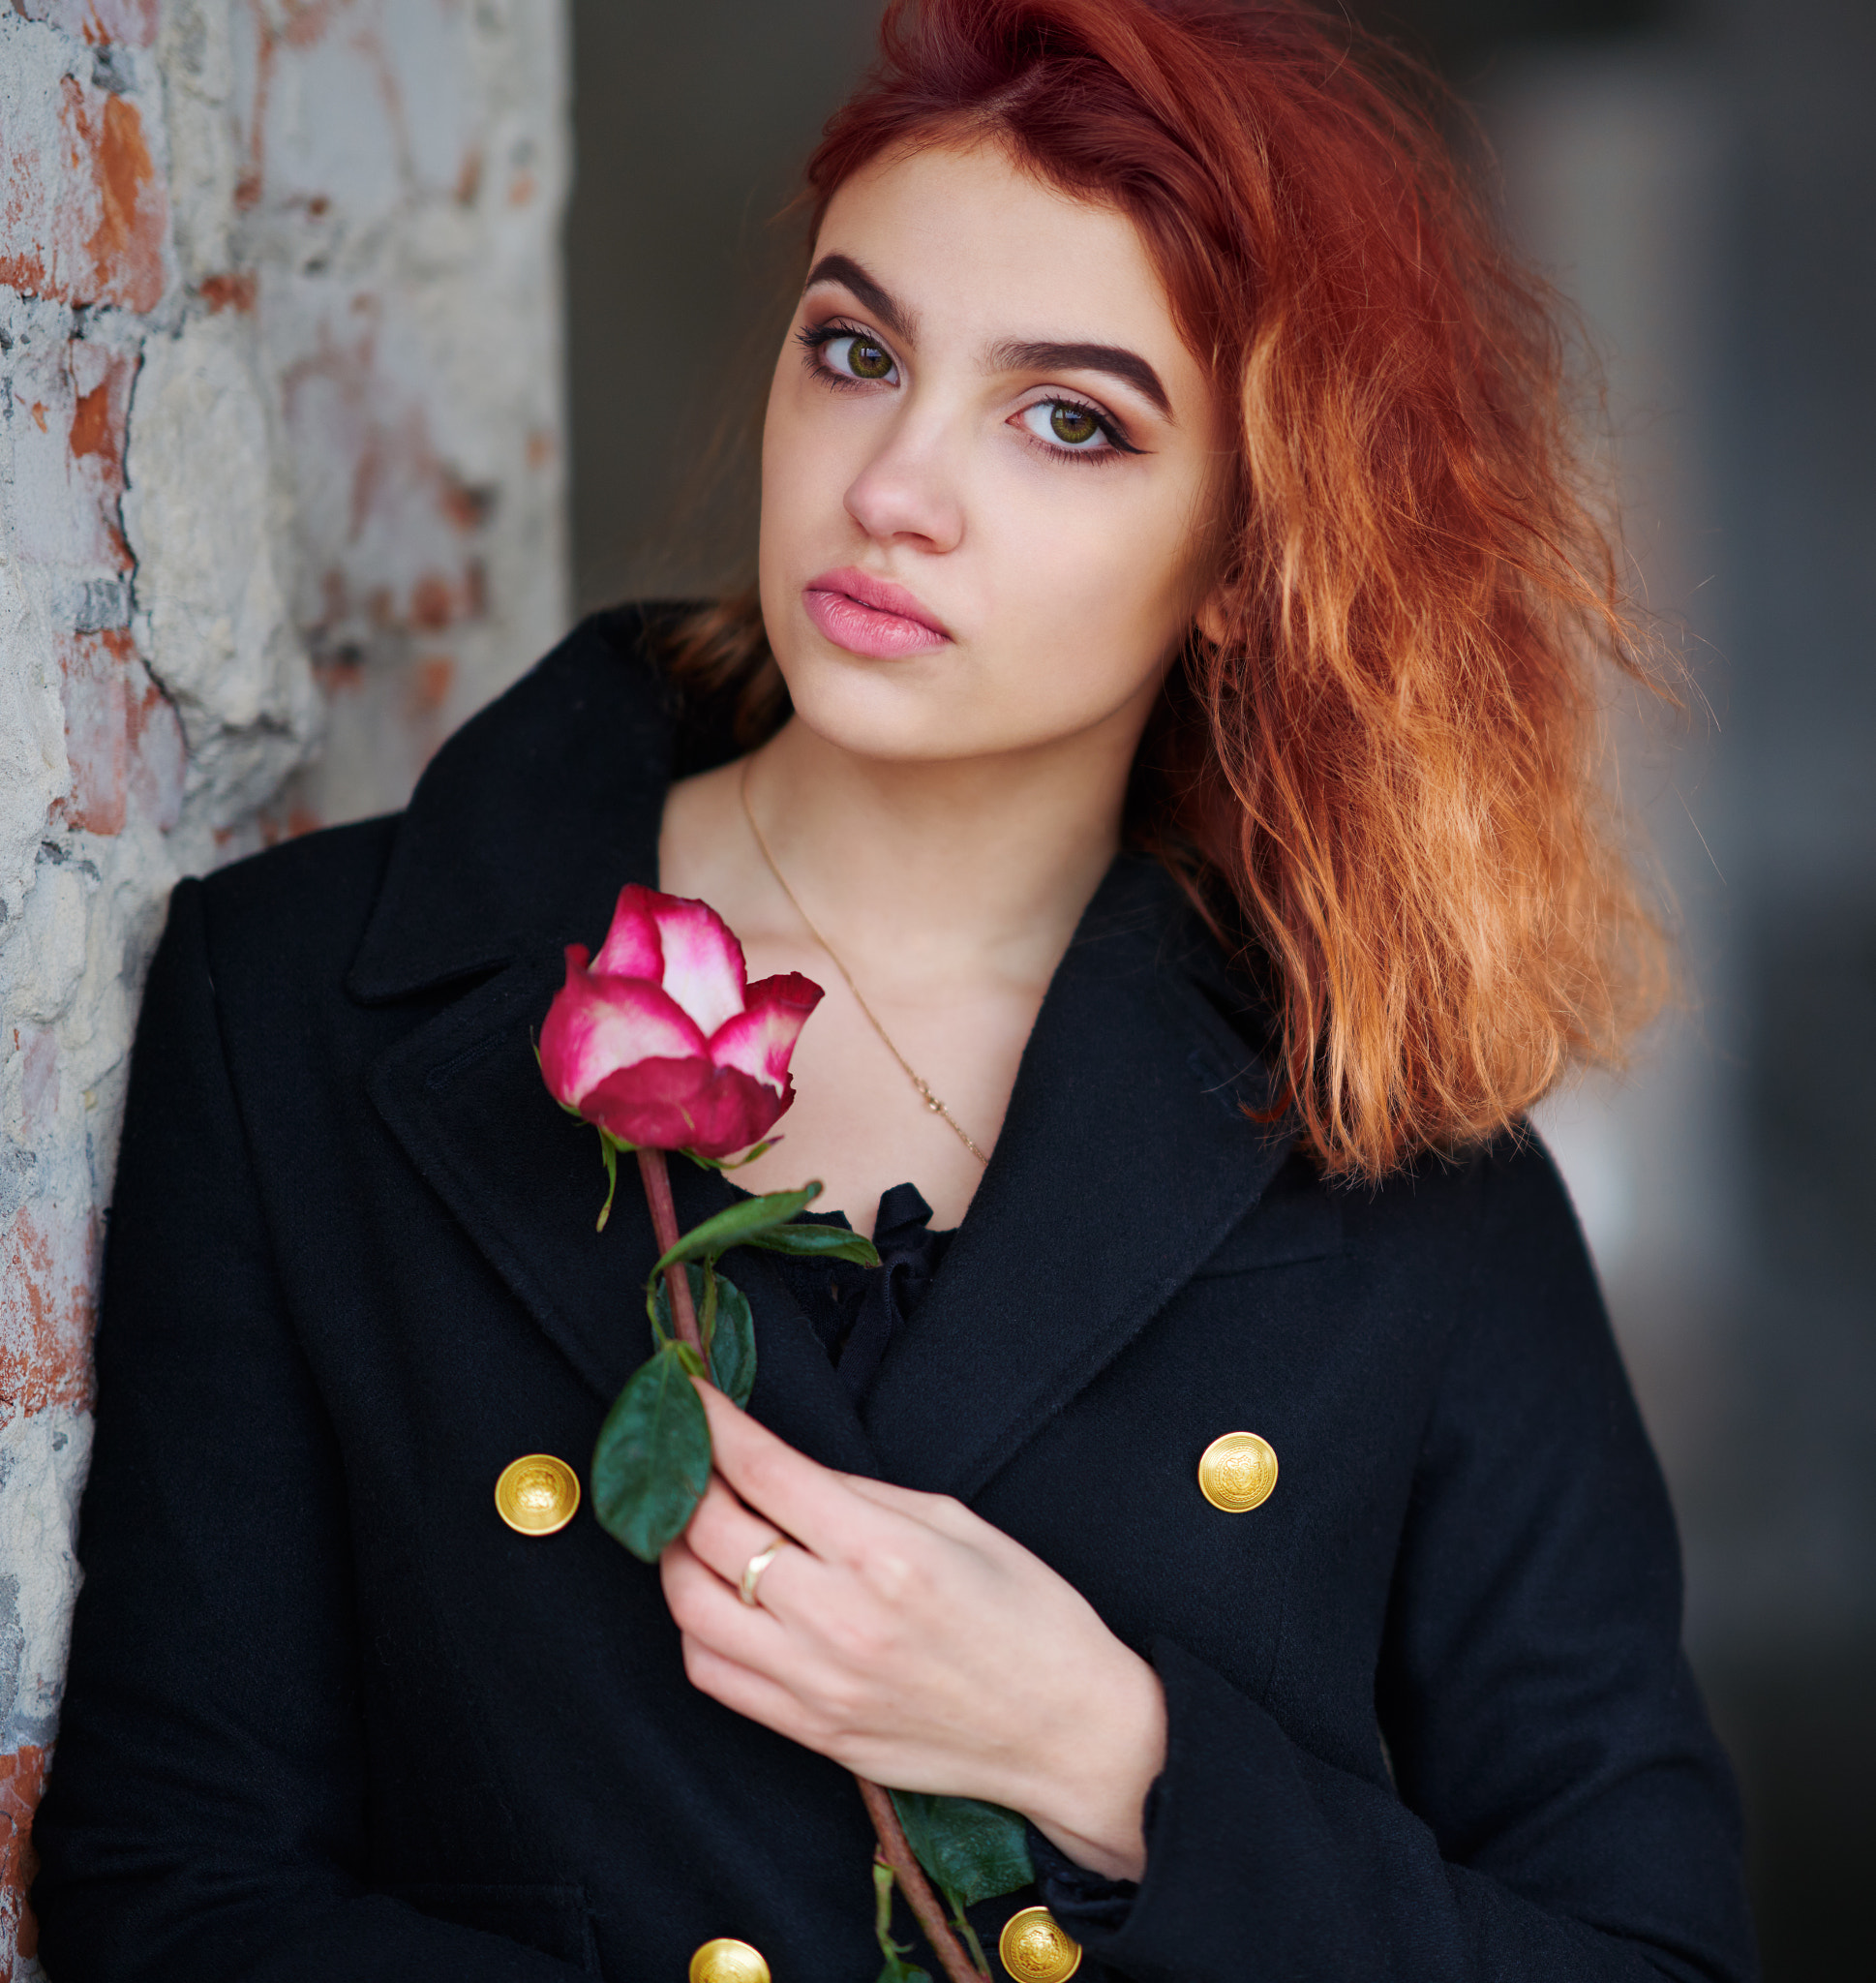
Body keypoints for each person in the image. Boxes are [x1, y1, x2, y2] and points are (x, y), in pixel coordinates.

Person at [32, 2, 1757, 1979]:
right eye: (859, 353)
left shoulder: (1386, 1150)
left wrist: (1105, 1752)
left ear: (1245, 553)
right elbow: (173, 1895)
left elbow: (1653, 1955)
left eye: (1069, 419)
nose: (894, 485)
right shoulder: (313, 1008)